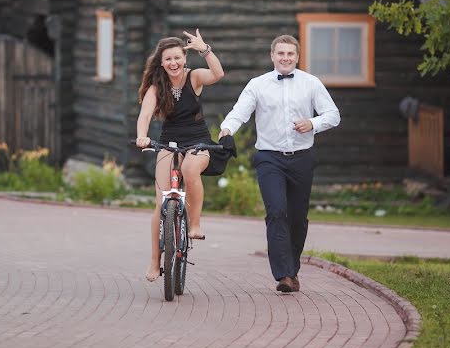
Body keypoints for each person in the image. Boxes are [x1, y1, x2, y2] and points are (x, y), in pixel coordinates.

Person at [219, 35, 340, 293]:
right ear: (272, 56)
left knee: (297, 218)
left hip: (302, 158)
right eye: (281, 53)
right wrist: (226, 129)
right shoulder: (258, 85)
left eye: (290, 54)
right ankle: (283, 275)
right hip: (269, 158)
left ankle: (293, 269)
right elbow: (240, 111)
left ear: (297, 57)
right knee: (276, 212)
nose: (285, 58)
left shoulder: (311, 83)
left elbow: (333, 115)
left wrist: (313, 123)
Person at [136, 30, 225, 282]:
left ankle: (194, 224)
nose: (173, 63)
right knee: (161, 203)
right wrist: (142, 136)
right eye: (168, 59)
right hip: (169, 142)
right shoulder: (157, 87)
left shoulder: (194, 77)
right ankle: (155, 261)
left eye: (177, 58)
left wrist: (204, 49)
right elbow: (144, 115)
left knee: (189, 170)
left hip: (198, 141)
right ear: (161, 63)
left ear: (184, 59)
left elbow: (217, 74)